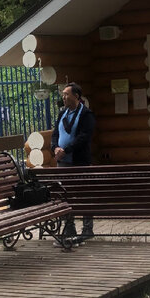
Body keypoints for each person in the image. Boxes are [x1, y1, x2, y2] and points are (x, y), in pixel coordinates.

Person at [51, 81, 96, 242]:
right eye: (63, 95)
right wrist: (55, 148)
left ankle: (87, 229)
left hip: (79, 160)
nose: (63, 97)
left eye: (66, 94)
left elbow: (84, 137)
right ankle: (69, 226)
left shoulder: (86, 114)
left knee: (84, 194)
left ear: (76, 96)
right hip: (63, 162)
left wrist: (67, 149)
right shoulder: (62, 114)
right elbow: (55, 134)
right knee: (65, 194)